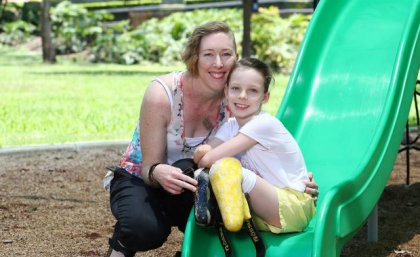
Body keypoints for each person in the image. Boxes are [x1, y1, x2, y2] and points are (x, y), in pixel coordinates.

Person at [104, 21, 318, 257]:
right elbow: (148, 167)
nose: (218, 63)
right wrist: (157, 171)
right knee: (144, 229)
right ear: (195, 57)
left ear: (236, 57)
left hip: (190, 179)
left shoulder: (237, 101)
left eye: (226, 54)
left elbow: (259, 152)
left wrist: (292, 181)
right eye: (209, 54)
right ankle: (121, 247)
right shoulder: (162, 93)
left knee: (215, 196)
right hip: (145, 178)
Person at [194, 57, 315, 233]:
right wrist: (202, 159)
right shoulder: (230, 126)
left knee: (225, 168)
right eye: (236, 88)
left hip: (293, 207)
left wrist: (203, 158)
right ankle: (225, 213)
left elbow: (208, 158)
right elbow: (203, 158)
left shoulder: (263, 124)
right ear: (226, 91)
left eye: (252, 91)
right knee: (206, 172)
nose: (242, 96)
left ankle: (230, 218)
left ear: (264, 97)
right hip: (262, 212)